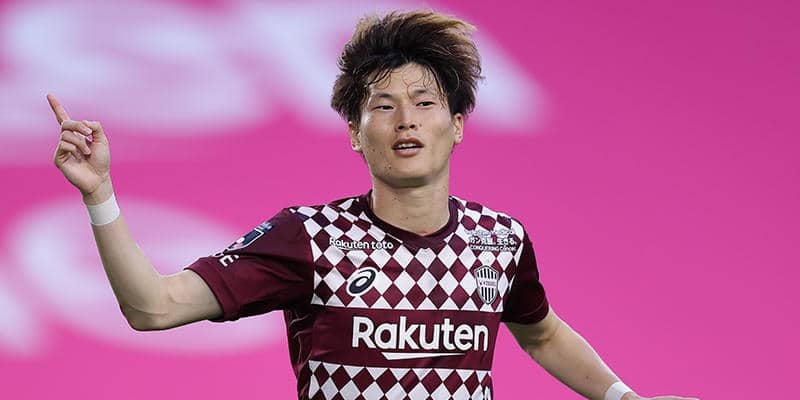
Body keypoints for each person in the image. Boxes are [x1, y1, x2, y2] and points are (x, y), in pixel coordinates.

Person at [49, 10, 698, 400]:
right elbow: (153, 308)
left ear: (457, 125)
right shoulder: (310, 237)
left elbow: (543, 332)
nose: (405, 120)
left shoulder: (499, 240)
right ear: (356, 135)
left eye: (424, 102)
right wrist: (101, 194)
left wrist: (622, 396)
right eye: (382, 106)